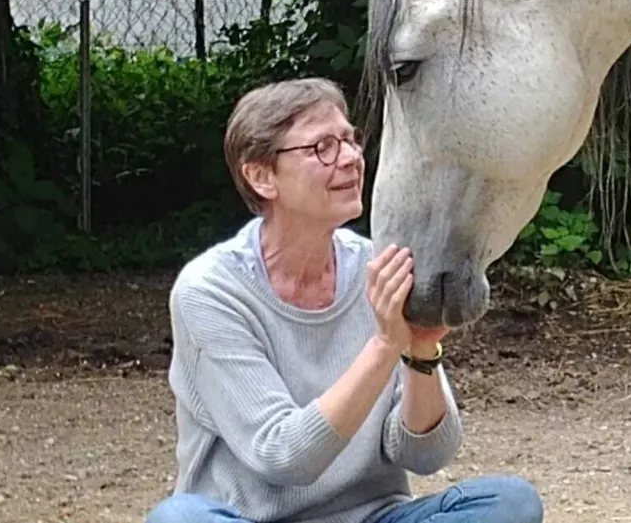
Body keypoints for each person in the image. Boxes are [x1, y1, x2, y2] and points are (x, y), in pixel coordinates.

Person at [145, 78, 544, 523]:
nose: (353, 159)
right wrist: (383, 348)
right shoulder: (211, 292)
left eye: (351, 140)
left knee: (510, 503)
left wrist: (420, 353)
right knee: (180, 519)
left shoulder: (378, 267)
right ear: (261, 176)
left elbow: (426, 455)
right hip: (253, 519)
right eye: (323, 147)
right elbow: (284, 456)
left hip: (372, 517)